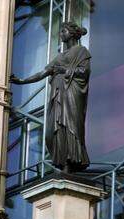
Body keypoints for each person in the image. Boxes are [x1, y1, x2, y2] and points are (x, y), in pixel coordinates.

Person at [10, 22, 91, 173]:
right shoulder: (59, 57)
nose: (61, 34)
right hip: (58, 95)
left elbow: (84, 72)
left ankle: (71, 161)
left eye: (63, 31)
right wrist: (21, 81)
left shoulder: (81, 51)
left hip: (72, 94)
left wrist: (64, 70)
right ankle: (61, 160)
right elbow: (43, 73)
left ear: (72, 33)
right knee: (54, 129)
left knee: (70, 126)